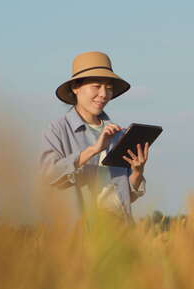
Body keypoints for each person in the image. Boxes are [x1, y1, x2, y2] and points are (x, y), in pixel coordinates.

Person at [39, 51, 150, 224]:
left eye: (109, 88)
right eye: (96, 86)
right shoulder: (58, 130)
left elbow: (125, 197)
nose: (104, 94)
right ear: (76, 87)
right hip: (79, 234)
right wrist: (93, 150)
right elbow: (48, 177)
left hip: (119, 232)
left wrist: (137, 172)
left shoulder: (118, 134)